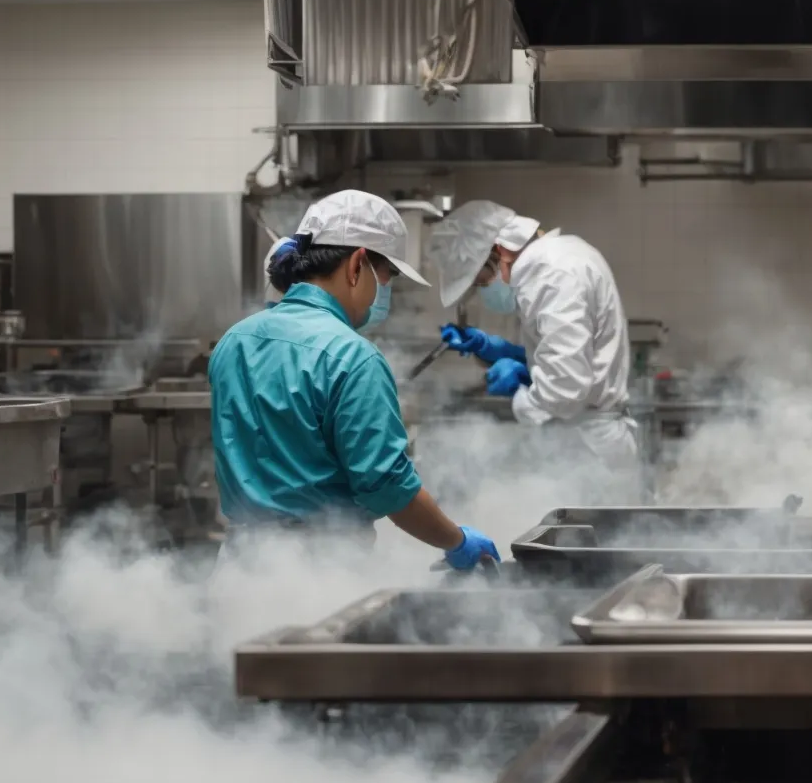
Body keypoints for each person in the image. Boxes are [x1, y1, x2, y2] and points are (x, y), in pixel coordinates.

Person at [209, 190, 498, 570]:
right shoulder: (352, 356)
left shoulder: (234, 340)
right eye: (388, 275)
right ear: (357, 264)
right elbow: (388, 488)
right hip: (317, 569)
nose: (386, 291)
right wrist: (457, 541)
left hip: (238, 565)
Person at [429, 200, 639, 469]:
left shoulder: (552, 276)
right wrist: (503, 351)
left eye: (481, 281)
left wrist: (518, 392)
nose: (483, 290)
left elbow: (566, 389)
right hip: (586, 439)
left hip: (590, 448)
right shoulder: (560, 257)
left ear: (500, 251)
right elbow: (571, 358)